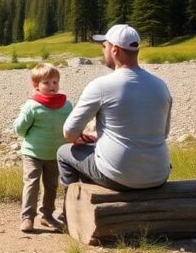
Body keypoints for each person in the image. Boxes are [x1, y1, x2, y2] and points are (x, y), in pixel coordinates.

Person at [57, 24, 172, 203]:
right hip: (159, 175)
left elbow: (69, 133)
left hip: (118, 177)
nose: (103, 52)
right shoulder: (160, 85)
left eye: (104, 47)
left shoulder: (102, 85)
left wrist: (80, 138)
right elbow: (163, 133)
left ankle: (69, 213)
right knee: (95, 154)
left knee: (64, 152)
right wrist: (100, 135)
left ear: (115, 50)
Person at [13, 63, 73, 233]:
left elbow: (72, 126)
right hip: (33, 153)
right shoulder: (32, 106)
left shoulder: (66, 105)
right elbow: (19, 129)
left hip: (55, 153)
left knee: (52, 185)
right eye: (46, 83)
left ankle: (47, 215)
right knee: (32, 183)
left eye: (55, 82)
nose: (52, 86)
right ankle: (27, 217)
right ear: (36, 85)